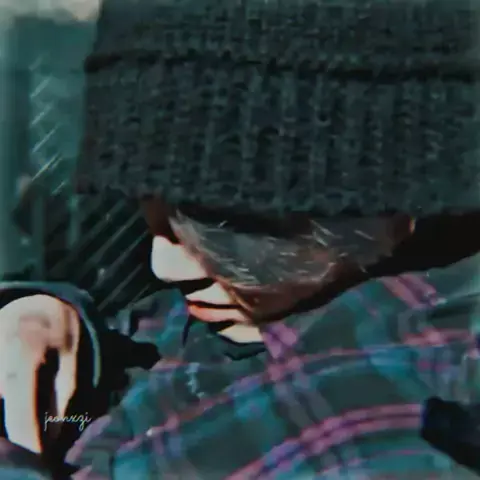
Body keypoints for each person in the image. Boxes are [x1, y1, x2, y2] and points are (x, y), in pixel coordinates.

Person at [0, 0, 480, 478]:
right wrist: (49, 317)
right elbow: (144, 341)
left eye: (219, 226)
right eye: (147, 206)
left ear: (390, 203)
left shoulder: (392, 435)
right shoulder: (282, 299)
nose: (164, 264)